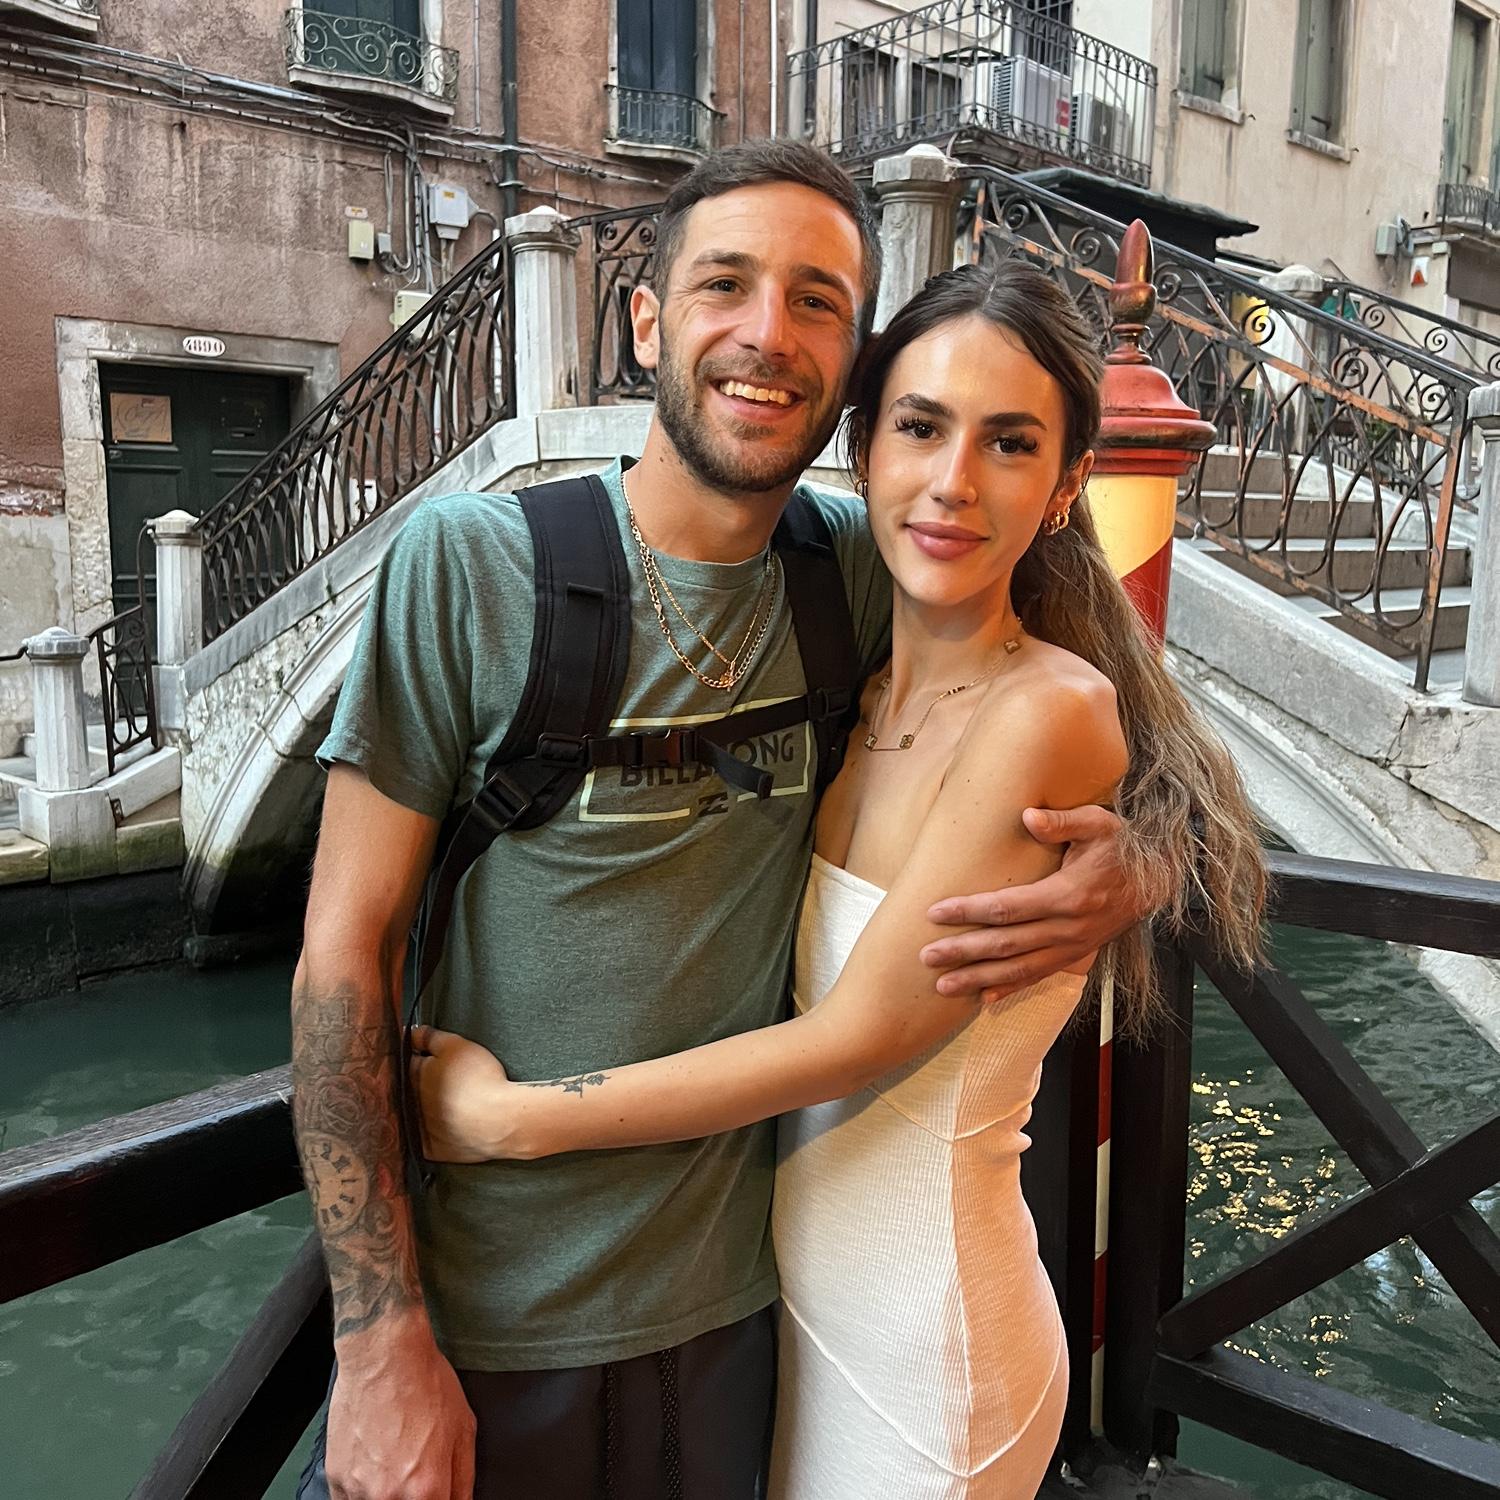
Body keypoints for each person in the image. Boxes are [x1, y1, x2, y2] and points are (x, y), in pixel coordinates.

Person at [292, 142, 1158, 1500]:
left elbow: (1087, 705)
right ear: (648, 321)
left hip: (744, 1331)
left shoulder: (861, 571)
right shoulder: (469, 566)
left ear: (849, 364)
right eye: (725, 285)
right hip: (486, 1333)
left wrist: (1143, 862)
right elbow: (343, 954)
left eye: (818, 301)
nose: (768, 334)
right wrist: (377, 1336)